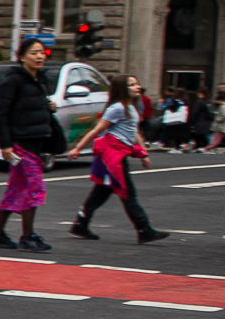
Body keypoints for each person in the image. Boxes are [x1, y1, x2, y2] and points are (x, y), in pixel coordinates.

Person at [67, 74, 165, 243]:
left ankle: (80, 224)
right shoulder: (117, 108)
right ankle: (143, 229)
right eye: (132, 85)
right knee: (128, 193)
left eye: (137, 84)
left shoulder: (131, 107)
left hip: (118, 155)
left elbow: (134, 134)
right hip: (111, 157)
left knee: (101, 193)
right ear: (122, 89)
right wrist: (78, 148)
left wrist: (144, 154)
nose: (137, 87)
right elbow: (98, 130)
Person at [0, 37, 61, 251]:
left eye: (41, 53)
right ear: (21, 57)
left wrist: (49, 107)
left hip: (36, 143)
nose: (39, 57)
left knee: (16, 190)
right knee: (33, 187)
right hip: (20, 144)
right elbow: (1, 114)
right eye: (33, 53)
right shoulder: (13, 81)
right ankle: (28, 236)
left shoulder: (40, 80)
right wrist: (6, 145)